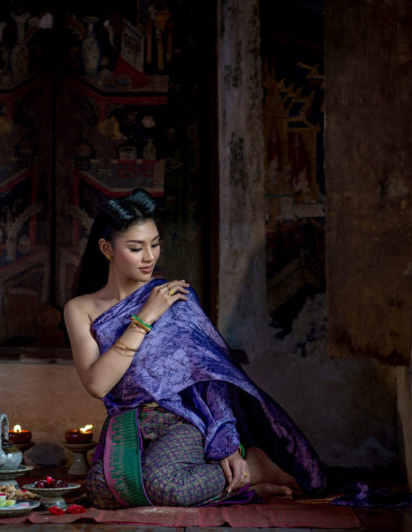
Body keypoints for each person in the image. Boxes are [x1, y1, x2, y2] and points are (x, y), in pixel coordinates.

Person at [64, 189, 326, 509]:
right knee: (103, 493)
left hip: (182, 418)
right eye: (136, 248)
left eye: (155, 244)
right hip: (127, 421)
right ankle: (243, 487)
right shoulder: (81, 308)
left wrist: (227, 443)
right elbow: (97, 383)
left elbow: (210, 376)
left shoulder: (174, 298)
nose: (150, 257)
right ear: (107, 248)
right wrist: (145, 316)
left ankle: (255, 466)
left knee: (165, 487)